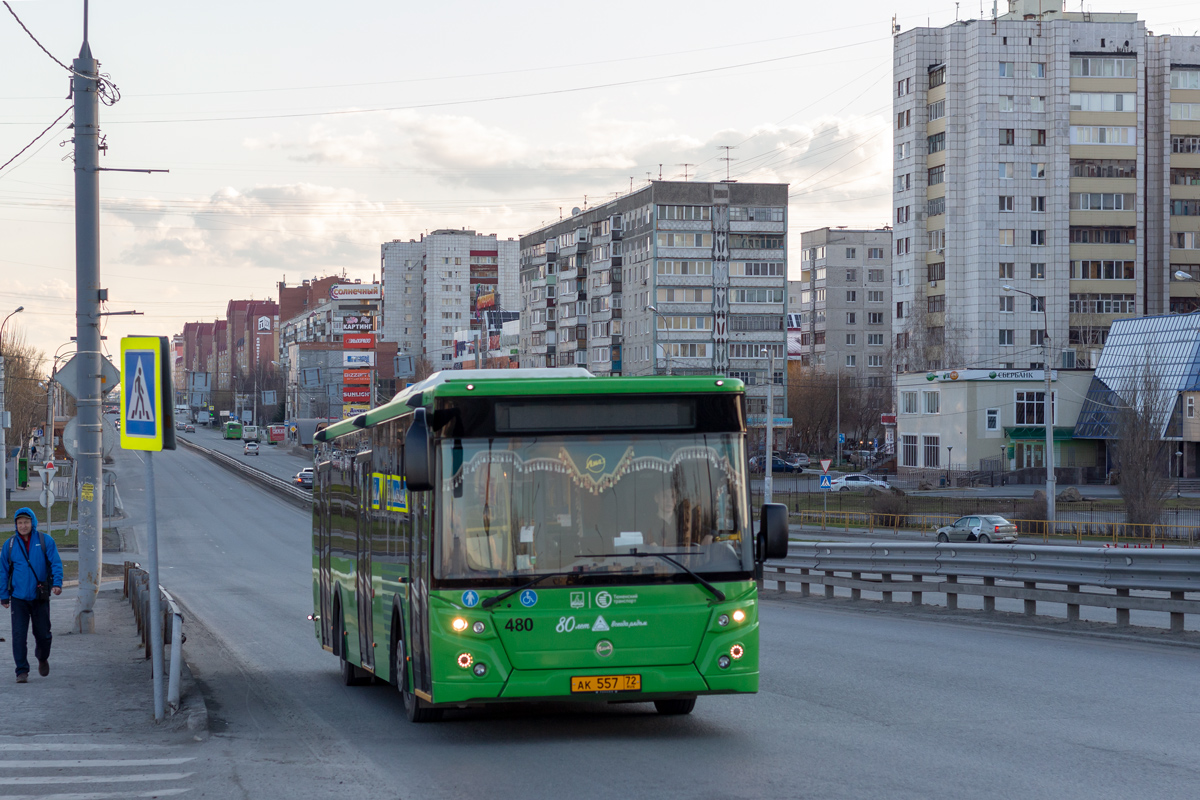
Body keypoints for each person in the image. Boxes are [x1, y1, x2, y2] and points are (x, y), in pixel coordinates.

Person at [0, 507, 63, 683]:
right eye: (19, 523)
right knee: (19, 635)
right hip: (19, 598)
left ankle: (42, 657)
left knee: (43, 634)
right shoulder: (10, 544)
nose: (23, 526)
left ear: (32, 523)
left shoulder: (45, 541)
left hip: (39, 596)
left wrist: (57, 583)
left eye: (26, 522)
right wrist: (4, 595)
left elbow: (56, 563)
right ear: (16, 525)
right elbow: (3, 571)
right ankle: (21, 671)